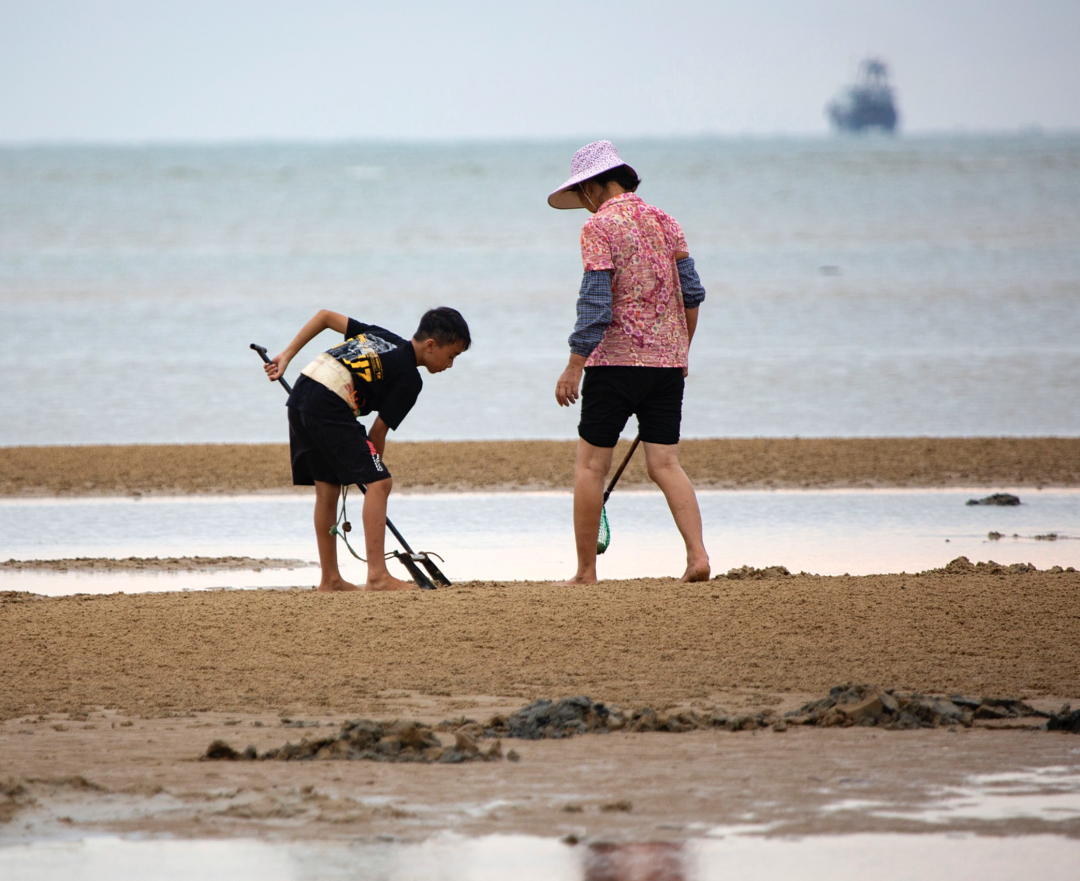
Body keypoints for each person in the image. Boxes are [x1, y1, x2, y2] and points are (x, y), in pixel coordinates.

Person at [548, 140, 710, 584]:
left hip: (613, 367)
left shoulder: (599, 227)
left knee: (590, 466)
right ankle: (697, 556)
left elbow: (596, 304)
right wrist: (682, 352)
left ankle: (585, 571)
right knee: (665, 464)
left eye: (583, 193)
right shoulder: (666, 221)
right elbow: (692, 294)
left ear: (596, 186)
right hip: (666, 368)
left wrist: (573, 365)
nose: (583, 203)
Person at [264, 307, 470, 592]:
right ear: (431, 346)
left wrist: (287, 355)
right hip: (329, 404)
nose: (451, 365)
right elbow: (377, 433)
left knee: (328, 488)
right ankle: (377, 576)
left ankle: (331, 580)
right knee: (381, 482)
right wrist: (373, 474)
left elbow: (324, 316)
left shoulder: (380, 335)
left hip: (302, 394)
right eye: (452, 356)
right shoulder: (411, 380)